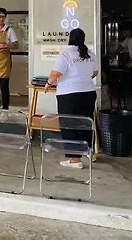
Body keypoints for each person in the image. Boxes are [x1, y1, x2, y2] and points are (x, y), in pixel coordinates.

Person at [44, 28, 98, 169]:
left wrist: (48, 83)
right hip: (88, 93)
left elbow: (56, 73)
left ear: (70, 38)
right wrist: (82, 78)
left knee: (69, 125)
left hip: (69, 94)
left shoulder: (65, 54)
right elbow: (95, 73)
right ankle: (89, 152)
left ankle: (75, 160)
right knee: (86, 123)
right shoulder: (91, 54)